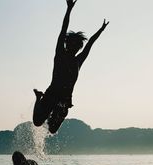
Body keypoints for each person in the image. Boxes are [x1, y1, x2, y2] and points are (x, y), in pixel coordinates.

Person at [33, 0, 109, 133]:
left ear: (79, 48)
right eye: (71, 45)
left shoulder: (78, 60)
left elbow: (90, 42)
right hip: (51, 94)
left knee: (52, 130)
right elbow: (63, 30)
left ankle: (49, 113)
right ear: (67, 44)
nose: (74, 48)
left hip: (65, 100)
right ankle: (38, 97)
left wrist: (101, 30)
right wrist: (69, 10)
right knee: (37, 122)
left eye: (77, 46)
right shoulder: (60, 54)